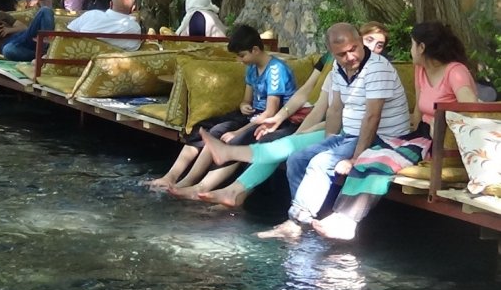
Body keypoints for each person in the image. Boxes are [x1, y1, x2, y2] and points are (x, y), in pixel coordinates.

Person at [312, 21, 478, 241]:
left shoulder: (455, 72)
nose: (410, 51)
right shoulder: (421, 70)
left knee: (382, 163)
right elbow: (419, 111)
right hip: (421, 135)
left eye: (411, 45)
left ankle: (348, 222)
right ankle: (340, 215)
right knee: (368, 156)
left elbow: (471, 109)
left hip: (442, 141)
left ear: (421, 47)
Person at [195, 22, 389, 207]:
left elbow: (363, 117)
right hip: (333, 127)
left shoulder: (375, 69)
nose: (372, 47)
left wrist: (310, 135)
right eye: (369, 40)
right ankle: (237, 192)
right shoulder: (337, 67)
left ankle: (238, 189)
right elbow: (325, 106)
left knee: (284, 146)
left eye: (379, 44)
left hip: (351, 133)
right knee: (286, 147)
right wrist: (284, 122)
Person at [255, 22, 410, 240]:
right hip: (350, 135)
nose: (350, 57)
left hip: (383, 138)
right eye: (342, 54)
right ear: (332, 54)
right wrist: (329, 141)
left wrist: (356, 158)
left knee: (321, 163)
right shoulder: (338, 68)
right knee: (297, 158)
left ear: (360, 41)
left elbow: (372, 116)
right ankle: (305, 220)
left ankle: (296, 222)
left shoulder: (377, 68)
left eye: (353, 49)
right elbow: (335, 108)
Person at [146, 25, 297, 193]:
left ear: (255, 50)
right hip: (253, 115)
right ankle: (172, 177)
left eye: (242, 56)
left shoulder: (276, 70)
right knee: (203, 128)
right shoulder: (252, 68)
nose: (240, 60)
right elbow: (246, 100)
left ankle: (194, 184)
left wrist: (238, 131)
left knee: (231, 138)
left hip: (273, 120)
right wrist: (243, 105)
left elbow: (271, 112)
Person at [66, 0, 142, 51]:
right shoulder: (135, 28)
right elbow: (133, 48)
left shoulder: (91, 15)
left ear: (111, 4)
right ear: (133, 9)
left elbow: (68, 31)